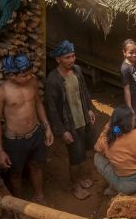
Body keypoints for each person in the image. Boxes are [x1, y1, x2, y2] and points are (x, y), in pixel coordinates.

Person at [0, 54, 54, 204]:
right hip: (15, 141)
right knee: (15, 174)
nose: (29, 77)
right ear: (11, 75)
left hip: (36, 134)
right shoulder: (2, 92)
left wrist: (47, 127)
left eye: (30, 73)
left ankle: (39, 196)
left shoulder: (32, 82)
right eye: (24, 75)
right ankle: (18, 204)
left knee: (36, 165)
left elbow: (38, 103)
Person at [44, 40, 96, 200]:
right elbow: (52, 110)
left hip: (83, 121)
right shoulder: (53, 80)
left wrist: (89, 108)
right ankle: (75, 186)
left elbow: (84, 91)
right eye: (67, 57)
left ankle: (81, 178)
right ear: (58, 59)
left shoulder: (77, 71)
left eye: (73, 56)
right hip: (69, 125)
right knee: (74, 157)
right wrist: (62, 131)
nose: (72, 60)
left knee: (83, 152)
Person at [93, 105, 136, 195]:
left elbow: (96, 148)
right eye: (133, 119)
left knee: (97, 157)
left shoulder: (106, 140)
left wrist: (109, 126)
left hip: (123, 186)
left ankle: (114, 188)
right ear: (129, 122)